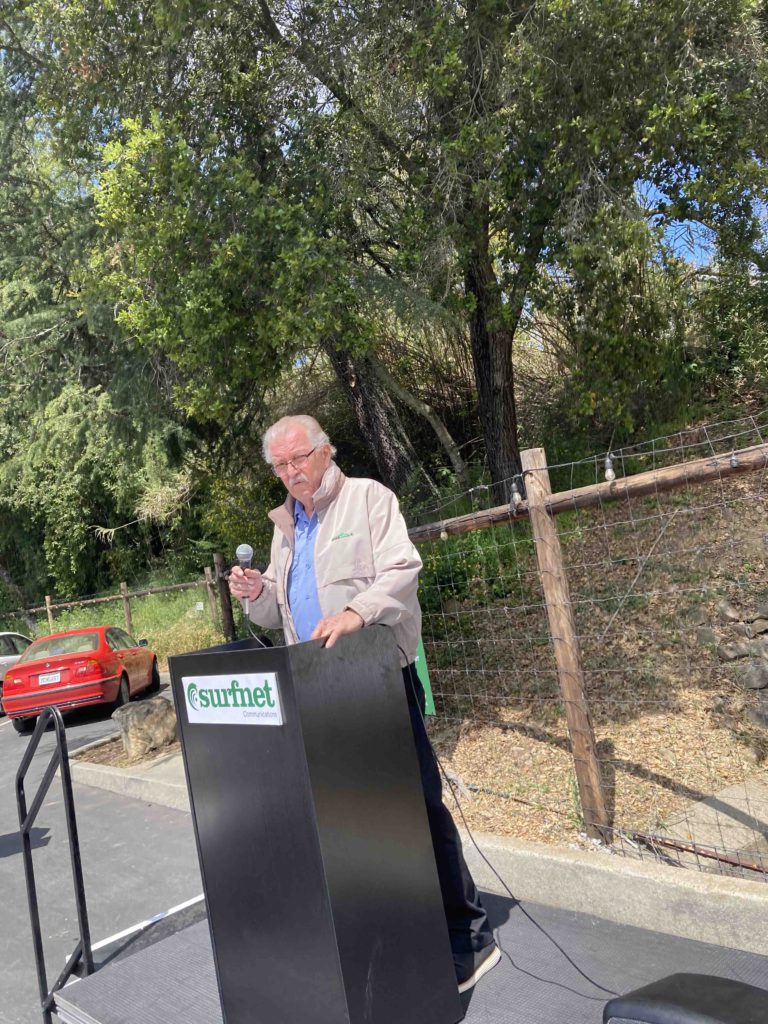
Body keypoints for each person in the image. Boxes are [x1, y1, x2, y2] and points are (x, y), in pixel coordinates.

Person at [229, 414, 501, 993]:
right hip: (319, 690)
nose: (291, 472)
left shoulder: (369, 499)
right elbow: (278, 611)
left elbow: (403, 570)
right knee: (360, 816)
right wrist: (257, 593)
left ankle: (470, 936)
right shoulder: (285, 528)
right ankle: (401, 926)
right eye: (280, 465)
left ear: (326, 452)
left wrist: (357, 613)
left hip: (380, 678)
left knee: (416, 807)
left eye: (299, 458)